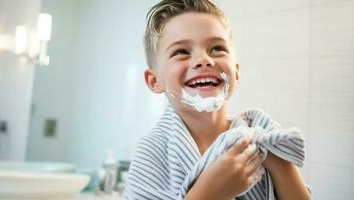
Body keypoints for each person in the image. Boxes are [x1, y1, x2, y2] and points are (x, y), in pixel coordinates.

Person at [123, 0, 311, 199]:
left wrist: (278, 160)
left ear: (236, 73)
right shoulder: (152, 153)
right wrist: (210, 193)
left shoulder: (263, 131)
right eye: (181, 52)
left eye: (216, 48)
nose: (204, 59)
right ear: (154, 81)